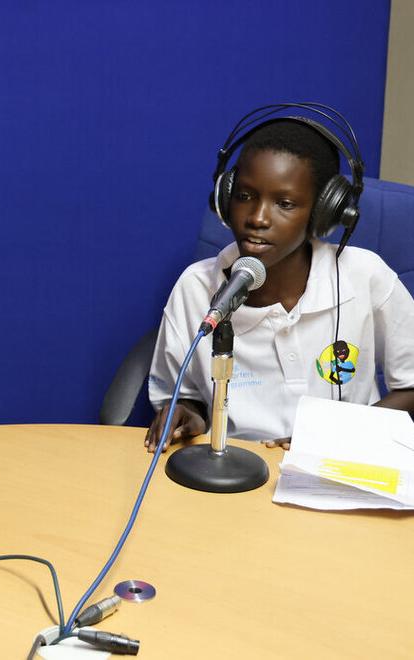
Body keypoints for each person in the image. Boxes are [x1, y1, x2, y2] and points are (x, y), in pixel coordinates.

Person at [144, 115, 414, 453]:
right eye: (244, 196)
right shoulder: (196, 287)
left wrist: (343, 434)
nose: (257, 218)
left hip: (340, 460)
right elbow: (185, 396)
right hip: (236, 462)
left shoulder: (365, 276)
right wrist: (188, 414)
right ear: (224, 200)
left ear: (324, 213)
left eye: (284, 204)